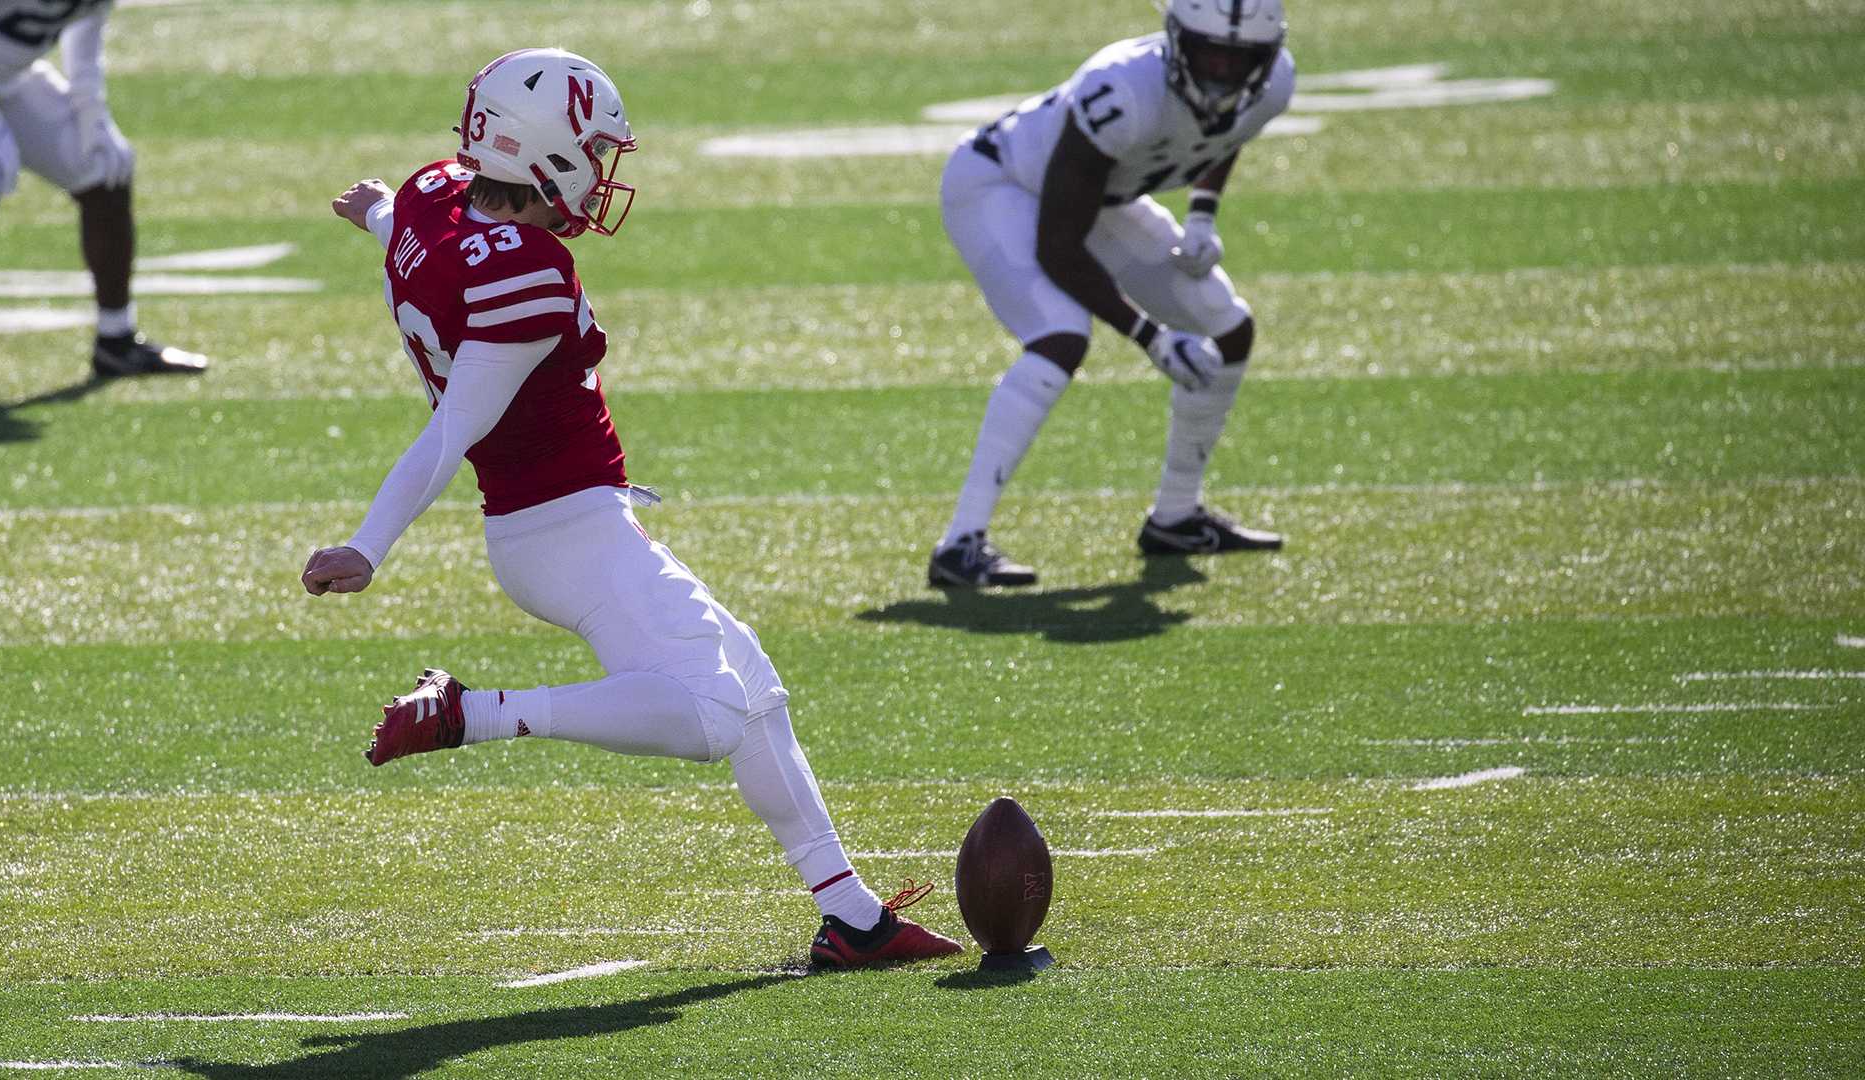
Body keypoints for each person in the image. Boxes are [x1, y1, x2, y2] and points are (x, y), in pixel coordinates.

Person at [302, 48, 962, 971]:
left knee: (752, 683)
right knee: (711, 717)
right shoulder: (524, 272)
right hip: (563, 531)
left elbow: (404, 233)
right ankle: (469, 712)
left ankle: (850, 916)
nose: (604, 174)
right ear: (543, 154)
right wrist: (369, 545)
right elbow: (452, 429)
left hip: (569, 523)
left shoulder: (429, 202)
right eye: (593, 152)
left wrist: (371, 210)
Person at [928, 0, 1293, 587]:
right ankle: (959, 545)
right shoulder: (1120, 90)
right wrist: (1151, 337)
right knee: (1060, 337)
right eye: (1209, 54)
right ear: (1176, 40)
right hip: (1001, 184)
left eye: (1239, 59)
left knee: (1228, 326)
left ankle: (1176, 515)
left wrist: (1203, 213)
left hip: (1098, 200)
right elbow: (1058, 245)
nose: (1222, 73)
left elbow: (1228, 128)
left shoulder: (1273, 86)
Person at [0, 0, 205, 404]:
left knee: (103, 170)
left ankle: (116, 340)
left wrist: (93, 117)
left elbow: (85, 31)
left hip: (7, 80)